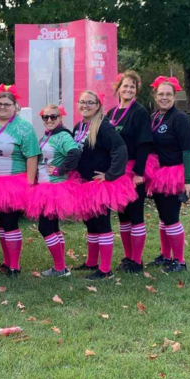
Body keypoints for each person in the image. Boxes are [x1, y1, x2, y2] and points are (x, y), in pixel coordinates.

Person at [72, 90, 136, 280]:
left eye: (90, 102)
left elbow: (120, 148)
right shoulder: (79, 126)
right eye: (82, 102)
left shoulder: (103, 127)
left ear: (98, 106)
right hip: (84, 183)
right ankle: (91, 262)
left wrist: (111, 174)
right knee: (90, 223)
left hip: (100, 184)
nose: (85, 105)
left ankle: (105, 269)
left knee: (101, 223)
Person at [0, 85, 40, 276]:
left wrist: (29, 184)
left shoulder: (24, 128)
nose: (2, 107)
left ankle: (15, 266)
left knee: (10, 222)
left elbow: (32, 155)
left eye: (7, 104)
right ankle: (6, 262)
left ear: (15, 106)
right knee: (0, 222)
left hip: (14, 182)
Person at [145, 76, 190, 272]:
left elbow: (188, 150)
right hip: (158, 174)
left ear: (174, 96)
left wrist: (188, 180)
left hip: (174, 174)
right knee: (163, 217)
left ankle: (179, 261)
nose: (164, 97)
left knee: (171, 217)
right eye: (161, 94)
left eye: (168, 94)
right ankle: (165, 255)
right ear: (155, 96)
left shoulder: (179, 118)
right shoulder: (155, 117)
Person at [106, 71, 155, 273]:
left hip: (134, 168)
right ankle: (127, 257)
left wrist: (138, 172)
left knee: (135, 214)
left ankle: (136, 260)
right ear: (118, 88)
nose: (128, 90)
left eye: (132, 87)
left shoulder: (140, 112)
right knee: (123, 215)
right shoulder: (111, 113)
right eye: (125, 86)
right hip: (118, 169)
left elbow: (144, 144)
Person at [25, 104, 81, 277]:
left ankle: (60, 268)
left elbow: (75, 153)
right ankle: (61, 267)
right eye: (45, 117)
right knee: (54, 227)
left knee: (45, 228)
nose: (49, 120)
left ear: (60, 118)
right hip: (44, 188)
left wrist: (60, 170)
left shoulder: (62, 135)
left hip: (55, 188)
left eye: (53, 117)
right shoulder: (48, 135)